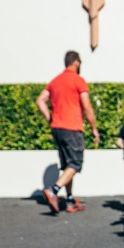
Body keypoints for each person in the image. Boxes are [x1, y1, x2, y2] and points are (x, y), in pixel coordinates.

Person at [36, 51, 99, 213]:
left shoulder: (55, 81)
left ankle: (70, 200)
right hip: (72, 128)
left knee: (67, 166)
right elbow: (87, 106)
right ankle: (54, 191)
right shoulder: (78, 81)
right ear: (76, 62)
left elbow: (40, 100)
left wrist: (50, 118)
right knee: (75, 164)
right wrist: (94, 128)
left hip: (57, 128)